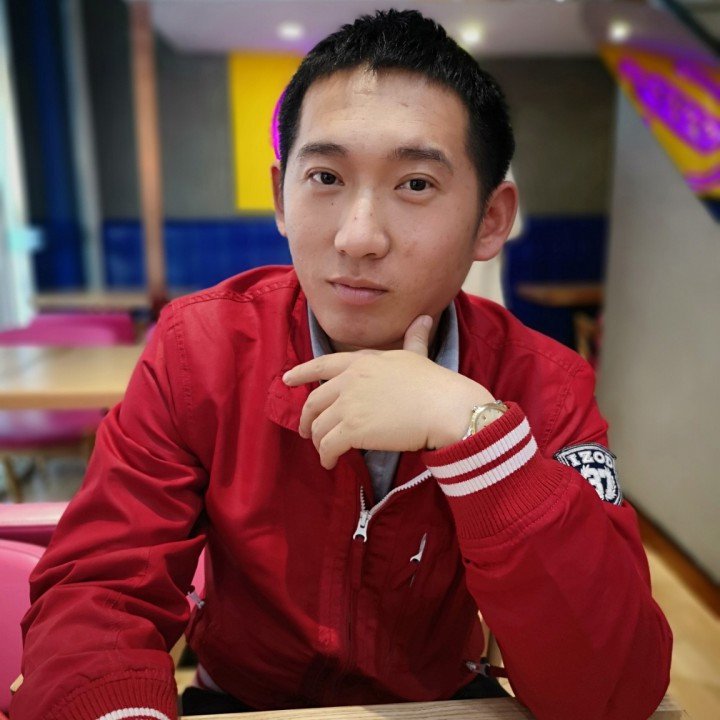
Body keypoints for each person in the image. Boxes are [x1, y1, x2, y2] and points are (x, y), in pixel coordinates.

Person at [12, 9, 672, 720]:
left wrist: (476, 433)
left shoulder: (545, 383)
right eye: (325, 176)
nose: (358, 238)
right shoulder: (196, 352)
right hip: (243, 704)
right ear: (281, 198)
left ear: (490, 220)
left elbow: (614, 693)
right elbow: (98, 594)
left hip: (439, 702)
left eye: (415, 184)